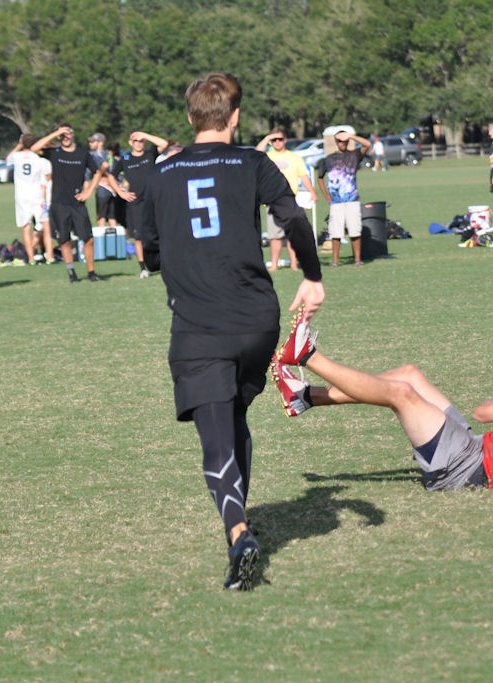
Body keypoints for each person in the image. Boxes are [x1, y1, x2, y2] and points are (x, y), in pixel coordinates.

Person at [138, 71, 324, 591]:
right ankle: (239, 516)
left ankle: (238, 532)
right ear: (235, 117)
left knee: (216, 430)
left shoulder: (161, 174)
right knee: (236, 411)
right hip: (256, 320)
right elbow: (294, 219)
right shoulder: (253, 162)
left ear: (190, 116)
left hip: (200, 325)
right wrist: (312, 277)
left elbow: (149, 251)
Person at [271, 330, 493, 492]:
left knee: (401, 394)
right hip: (477, 450)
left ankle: (308, 357)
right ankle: (305, 397)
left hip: (466, 470)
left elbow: (482, 413)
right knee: (408, 375)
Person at [29, 123, 112, 282]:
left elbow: (97, 173)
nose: (65, 137)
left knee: (88, 239)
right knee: (64, 240)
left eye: (67, 133)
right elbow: (34, 148)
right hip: (59, 203)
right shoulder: (54, 152)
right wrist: (55, 133)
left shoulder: (83, 154)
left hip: (78, 204)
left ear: (73, 135)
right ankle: (72, 274)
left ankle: (91, 273)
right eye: (62, 135)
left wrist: (88, 192)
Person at [254, 128, 313, 271]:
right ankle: (274, 264)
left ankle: (294, 263)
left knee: (292, 235)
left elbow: (303, 175)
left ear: (285, 140)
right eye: (274, 140)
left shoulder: (294, 158)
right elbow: (256, 153)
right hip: (272, 200)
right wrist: (267, 138)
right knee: (275, 236)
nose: (277, 142)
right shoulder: (267, 156)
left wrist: (312, 191)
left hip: (290, 200)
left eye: (280, 139)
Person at [315, 127, 371, 267]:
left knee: (355, 231)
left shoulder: (354, 155)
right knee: (336, 233)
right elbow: (320, 177)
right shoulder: (328, 159)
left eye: (344, 141)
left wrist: (350, 136)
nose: (342, 143)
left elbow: (367, 144)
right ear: (336, 142)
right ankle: (335, 261)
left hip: (352, 200)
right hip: (336, 202)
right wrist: (326, 195)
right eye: (340, 141)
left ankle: (357, 260)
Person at [119, 129, 169, 276]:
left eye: (141, 141)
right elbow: (110, 175)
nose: (138, 143)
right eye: (135, 141)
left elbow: (164, 144)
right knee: (138, 236)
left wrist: (144, 135)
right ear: (130, 143)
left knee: (160, 232)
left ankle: (165, 263)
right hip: (135, 203)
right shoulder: (125, 159)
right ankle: (143, 268)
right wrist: (121, 192)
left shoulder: (150, 154)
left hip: (153, 200)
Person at [7, 133, 54, 264]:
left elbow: (8, 158)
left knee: (26, 228)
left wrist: (19, 145)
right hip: (37, 195)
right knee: (46, 225)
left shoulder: (16, 156)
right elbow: (46, 179)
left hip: (22, 197)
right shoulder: (39, 159)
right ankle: (50, 256)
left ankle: (31, 258)